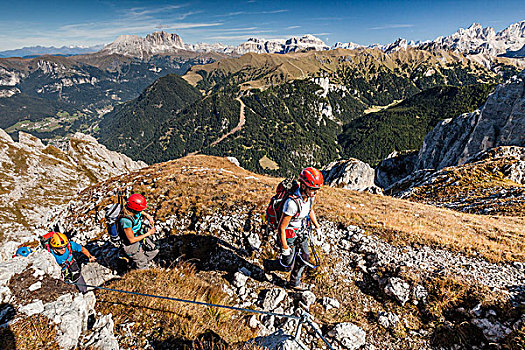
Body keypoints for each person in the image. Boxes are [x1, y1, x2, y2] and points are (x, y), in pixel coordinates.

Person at [278, 167, 323, 291]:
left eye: (317, 190)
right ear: (303, 186)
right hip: (289, 234)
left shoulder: (310, 197)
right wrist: (285, 247)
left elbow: (310, 211)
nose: (315, 192)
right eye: (313, 189)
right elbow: (281, 228)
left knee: (305, 258)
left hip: (301, 231)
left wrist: (317, 227)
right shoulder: (291, 204)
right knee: (287, 264)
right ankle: (267, 265)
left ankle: (294, 282)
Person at [118, 193, 158, 269]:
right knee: (142, 262)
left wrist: (147, 216)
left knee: (154, 250)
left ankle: (138, 262)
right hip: (130, 244)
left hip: (138, 234)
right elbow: (131, 240)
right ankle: (140, 268)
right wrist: (148, 233)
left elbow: (140, 211)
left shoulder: (132, 209)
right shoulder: (125, 220)